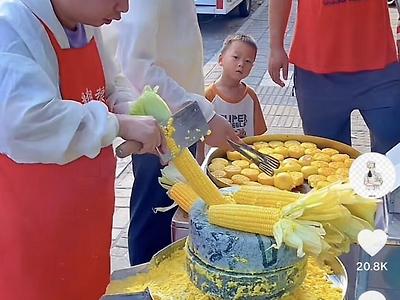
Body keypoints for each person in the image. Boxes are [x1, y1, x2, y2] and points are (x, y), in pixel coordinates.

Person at [0, 0, 169, 299]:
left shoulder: (86, 22)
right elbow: (28, 121)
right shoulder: (11, 28)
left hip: (86, 216)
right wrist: (118, 125)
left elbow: (111, 83)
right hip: (36, 230)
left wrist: (130, 107)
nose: (124, 8)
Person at [101, 0, 240, 265]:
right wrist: (205, 116)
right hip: (162, 119)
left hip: (183, 113)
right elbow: (135, 66)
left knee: (174, 206)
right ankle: (147, 281)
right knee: (154, 210)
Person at [268, 0, 400, 154]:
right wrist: (276, 46)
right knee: (329, 161)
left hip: (379, 68)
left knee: (392, 155)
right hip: (317, 73)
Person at [197, 34, 268, 163]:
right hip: (216, 163)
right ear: (221, 60)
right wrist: (201, 161)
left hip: (246, 163)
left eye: (248, 61)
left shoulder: (251, 96)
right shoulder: (208, 96)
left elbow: (258, 136)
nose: (241, 64)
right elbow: (200, 138)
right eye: (236, 57)